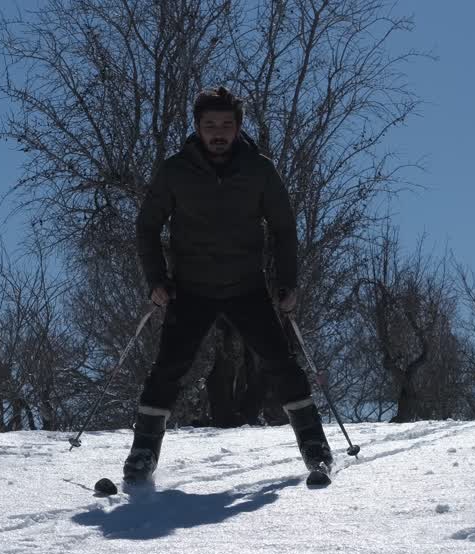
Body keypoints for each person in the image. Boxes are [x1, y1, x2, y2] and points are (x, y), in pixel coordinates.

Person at [122, 86, 333, 486]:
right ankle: (143, 453)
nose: (218, 133)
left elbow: (285, 230)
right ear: (197, 128)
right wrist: (157, 281)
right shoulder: (175, 171)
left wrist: (288, 283)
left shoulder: (259, 169)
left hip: (246, 285)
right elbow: (147, 226)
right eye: (210, 125)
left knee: (282, 364)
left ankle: (315, 447)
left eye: (226, 125)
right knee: (168, 368)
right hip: (190, 287)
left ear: (238, 128)